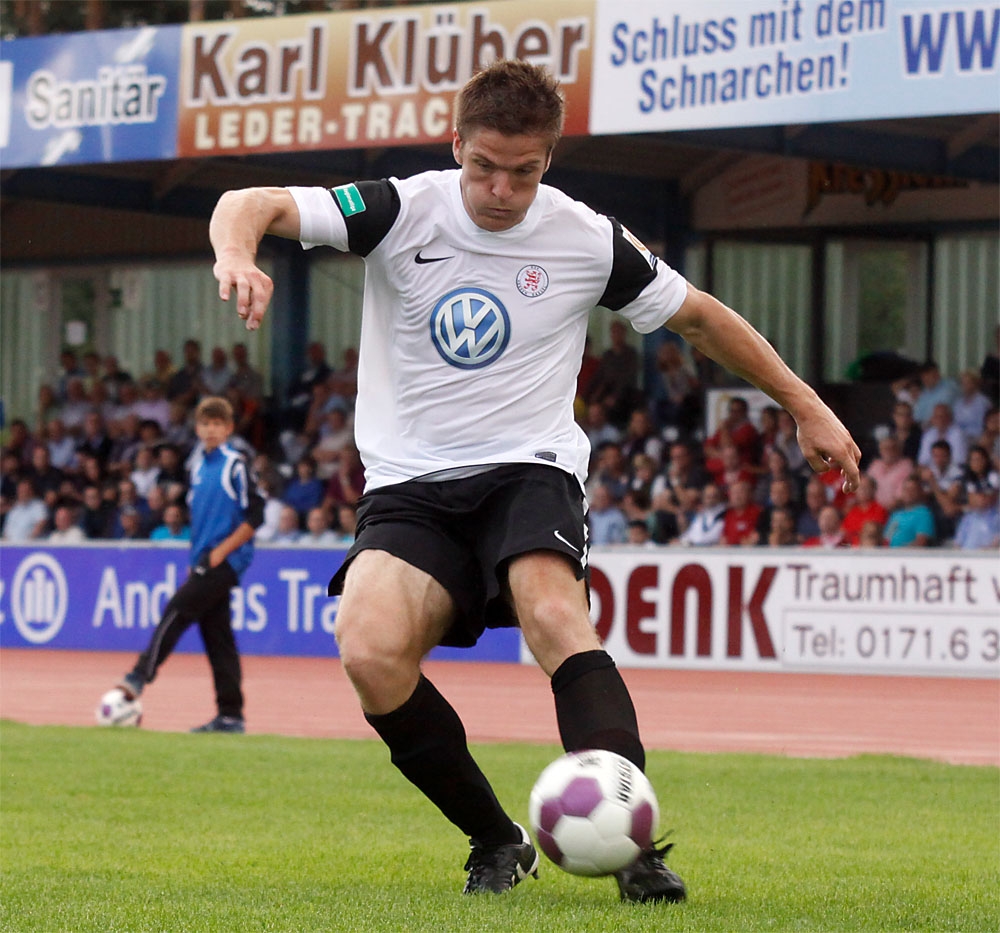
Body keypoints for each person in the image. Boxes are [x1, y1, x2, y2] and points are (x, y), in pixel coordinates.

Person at [210, 59, 859, 901]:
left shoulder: (586, 238)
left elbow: (700, 317)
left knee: (553, 612)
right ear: (456, 144)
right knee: (368, 650)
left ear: (548, 159)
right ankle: (495, 838)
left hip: (530, 468)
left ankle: (633, 849)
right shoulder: (398, 209)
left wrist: (806, 405)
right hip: (410, 483)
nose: (501, 190)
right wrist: (239, 254)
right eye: (484, 166)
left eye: (523, 171)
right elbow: (249, 202)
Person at [108, 396, 264, 734]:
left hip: (224, 559)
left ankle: (138, 675)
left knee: (176, 611)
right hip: (204, 560)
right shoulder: (197, 468)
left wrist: (220, 553)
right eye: (206, 424)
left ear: (229, 428)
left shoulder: (235, 465)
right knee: (218, 637)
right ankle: (230, 715)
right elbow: (201, 519)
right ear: (197, 428)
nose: (211, 430)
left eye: (218, 424)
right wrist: (197, 562)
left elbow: (256, 516)